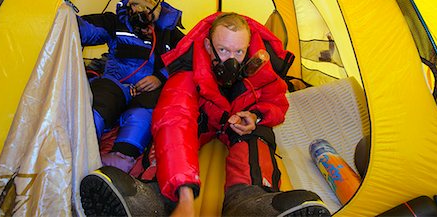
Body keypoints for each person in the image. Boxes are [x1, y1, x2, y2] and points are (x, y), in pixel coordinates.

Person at [80, 12, 330, 217]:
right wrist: (184, 195)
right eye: (223, 50)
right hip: (205, 119)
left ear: (249, 47)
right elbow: (175, 120)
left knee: (258, 139)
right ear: (209, 46)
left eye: (239, 52)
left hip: (239, 122)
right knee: (166, 142)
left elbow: (276, 101)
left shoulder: (259, 67)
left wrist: (256, 117)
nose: (231, 60)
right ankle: (151, 195)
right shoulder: (188, 70)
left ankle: (250, 201)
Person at [77, 0, 184, 174]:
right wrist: (67, 18)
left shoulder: (169, 33)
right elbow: (88, 30)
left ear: (156, 10)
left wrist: (160, 77)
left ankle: (120, 160)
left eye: (145, 7)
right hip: (117, 82)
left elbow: (187, 57)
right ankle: (79, 146)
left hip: (148, 89)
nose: (139, 11)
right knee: (101, 99)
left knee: (143, 114)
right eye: (135, 5)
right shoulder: (117, 22)